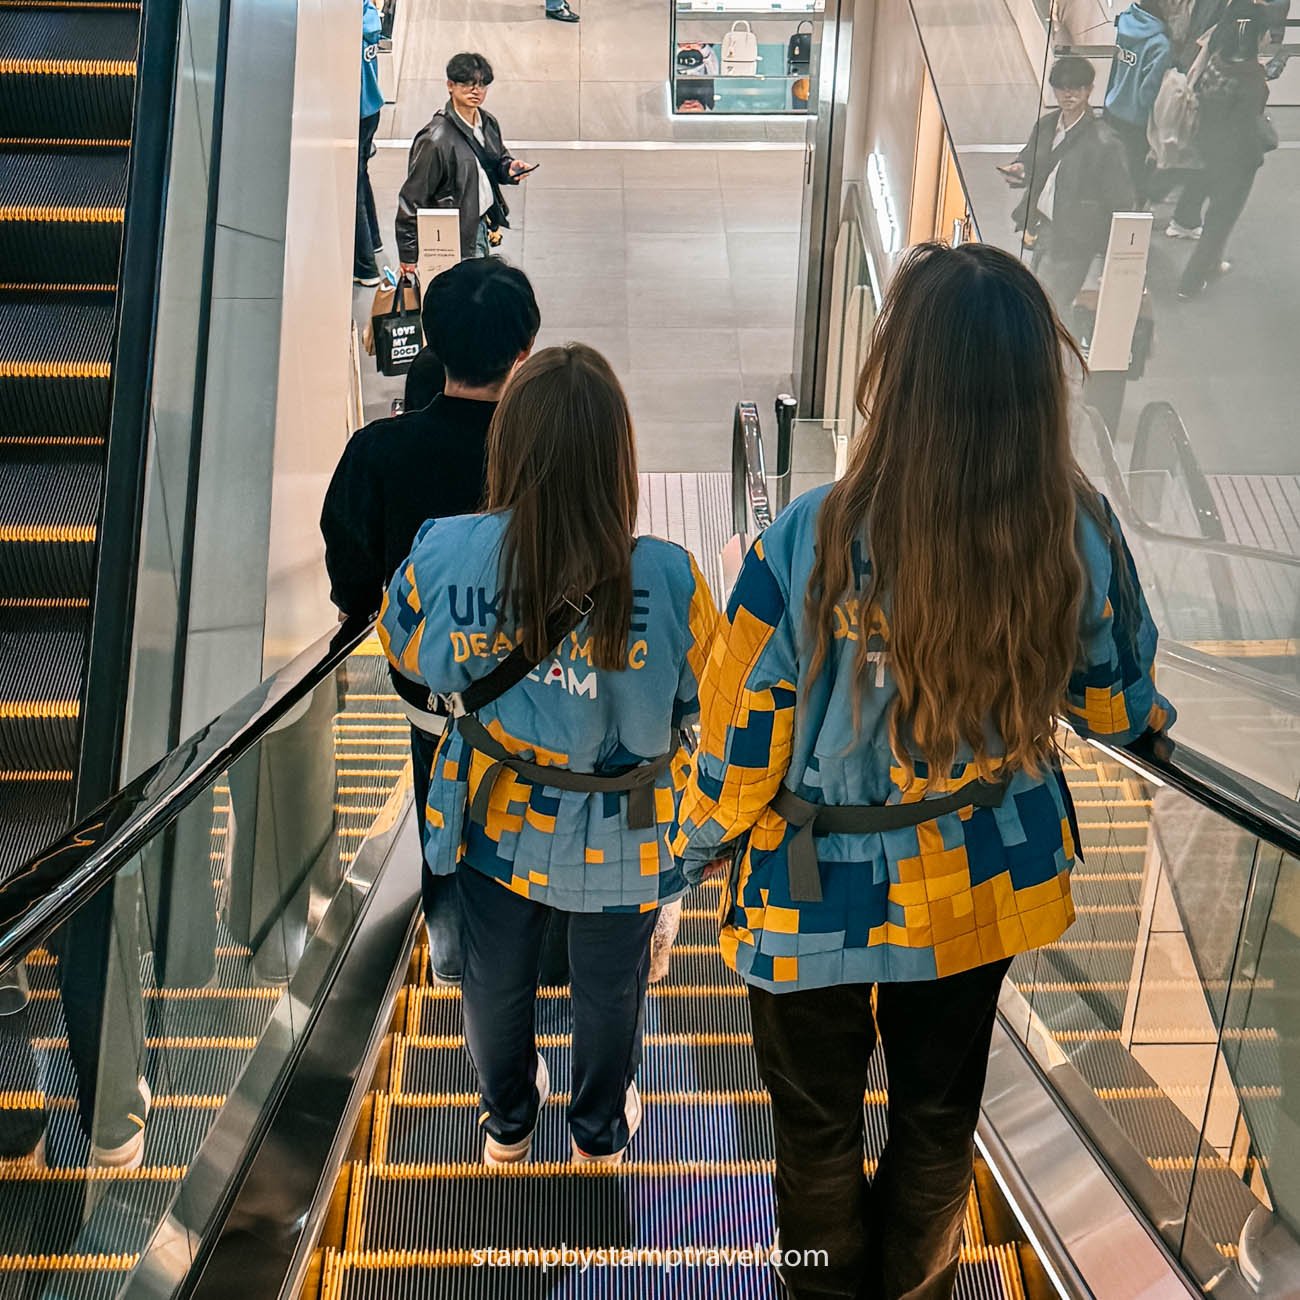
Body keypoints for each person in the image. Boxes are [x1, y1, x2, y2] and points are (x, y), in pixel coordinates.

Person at [673, 242, 1175, 1300]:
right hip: (976, 878)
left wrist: (689, 848)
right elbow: (1114, 703)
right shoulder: (1072, 528)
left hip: (810, 898)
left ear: (896, 377)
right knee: (938, 1113)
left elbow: (737, 747)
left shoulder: (808, 538)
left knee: (813, 1131)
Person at [378, 344, 718, 1165]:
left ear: (512, 443)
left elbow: (406, 651)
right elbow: (702, 698)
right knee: (612, 989)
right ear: (617, 454)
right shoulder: (670, 577)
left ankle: (508, 1124)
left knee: (496, 980)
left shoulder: (444, 549)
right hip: (629, 829)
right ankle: (598, 1133)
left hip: (498, 811)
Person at [322, 258, 541, 984]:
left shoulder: (379, 451)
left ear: (434, 345)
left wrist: (359, 613)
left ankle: (453, 955)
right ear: (523, 351)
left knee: (440, 810)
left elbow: (351, 565)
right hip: (544, 693)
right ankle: (542, 957)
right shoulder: (545, 456)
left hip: (433, 697)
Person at [1000, 56, 1135, 313]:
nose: (1069, 93)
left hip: (1073, 238)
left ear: (1089, 90)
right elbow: (1030, 159)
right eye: (1062, 87)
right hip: (1042, 228)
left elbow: (1121, 201)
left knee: (1047, 306)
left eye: (1078, 87)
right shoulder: (1047, 125)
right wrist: (1020, 168)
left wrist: (1113, 256)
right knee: (1039, 297)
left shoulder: (1105, 142)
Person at [396, 52, 534, 268]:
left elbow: (495, 159)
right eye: (467, 84)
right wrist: (408, 256)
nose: (475, 91)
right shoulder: (435, 140)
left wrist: (509, 168)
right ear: (450, 85)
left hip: (481, 225)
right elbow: (412, 199)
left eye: (481, 85)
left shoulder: (487, 122)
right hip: (453, 238)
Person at [1176, 12, 1270, 297]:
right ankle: (1190, 283)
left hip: (1206, 147)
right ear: (1255, 39)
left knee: (1210, 208)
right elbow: (1248, 124)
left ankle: (1213, 262)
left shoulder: (1217, 64)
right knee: (1219, 221)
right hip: (1236, 162)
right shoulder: (1252, 79)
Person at [1104, 0, 1175, 201]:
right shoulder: (1160, 44)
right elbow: (1147, 91)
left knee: (1113, 160)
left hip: (1114, 105)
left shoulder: (1125, 23)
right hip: (1136, 118)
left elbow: (1116, 68)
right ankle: (1134, 208)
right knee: (1135, 166)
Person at [354, 0, 385, 286]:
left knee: (352, 187)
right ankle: (374, 240)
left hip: (354, 111)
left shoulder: (347, 20)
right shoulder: (368, 13)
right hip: (371, 108)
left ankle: (365, 267)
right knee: (361, 176)